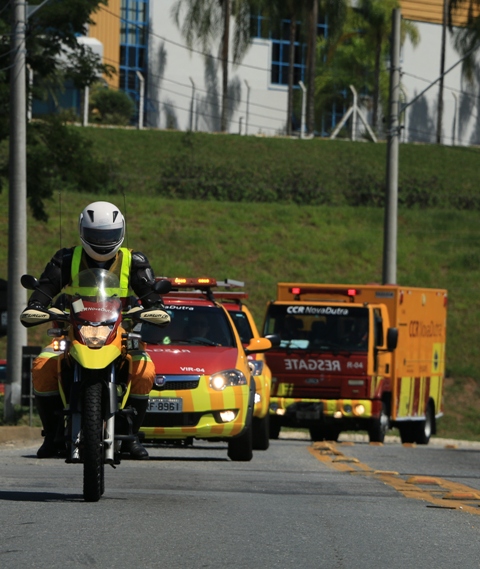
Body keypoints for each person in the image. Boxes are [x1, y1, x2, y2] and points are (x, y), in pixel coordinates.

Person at [23, 201, 166, 460]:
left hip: (119, 335)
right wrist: (37, 304)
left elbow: (149, 292)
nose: (102, 241)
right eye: (96, 236)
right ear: (82, 231)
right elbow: (46, 286)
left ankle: (130, 435)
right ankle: (54, 434)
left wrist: (155, 306)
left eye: (108, 236)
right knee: (43, 365)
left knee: (145, 370)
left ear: (120, 232)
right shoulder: (66, 258)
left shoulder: (134, 260)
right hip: (74, 332)